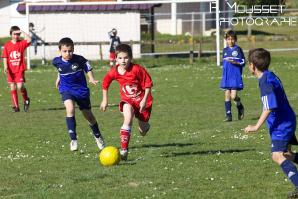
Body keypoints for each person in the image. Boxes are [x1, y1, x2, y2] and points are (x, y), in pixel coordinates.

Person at [244, 48, 298, 198]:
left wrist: (255, 127)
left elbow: (269, 106)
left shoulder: (265, 82)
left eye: (249, 63)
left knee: (277, 156)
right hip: (287, 119)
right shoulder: (270, 75)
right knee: (287, 154)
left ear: (253, 66)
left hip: (282, 124)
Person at [100, 44, 153, 160]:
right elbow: (105, 83)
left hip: (142, 101)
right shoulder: (114, 72)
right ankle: (124, 150)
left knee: (142, 131)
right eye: (120, 58)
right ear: (116, 58)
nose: (123, 61)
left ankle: (145, 126)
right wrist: (105, 100)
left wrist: (144, 101)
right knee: (127, 118)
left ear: (131, 58)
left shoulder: (137, 69)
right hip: (127, 100)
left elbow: (148, 84)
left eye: (126, 58)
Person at [52, 37, 105, 152]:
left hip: (81, 91)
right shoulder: (56, 61)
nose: (68, 53)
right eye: (65, 51)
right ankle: (73, 139)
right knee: (70, 109)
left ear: (73, 49)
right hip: (66, 89)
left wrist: (91, 78)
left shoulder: (79, 60)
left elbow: (88, 68)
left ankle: (98, 136)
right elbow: (60, 70)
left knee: (89, 117)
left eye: (70, 51)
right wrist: (58, 78)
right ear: (60, 51)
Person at [1, 26, 31, 112]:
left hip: (19, 69)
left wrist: (22, 31)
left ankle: (26, 99)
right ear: (11, 34)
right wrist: (5, 66)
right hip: (10, 70)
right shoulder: (7, 45)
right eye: (14, 34)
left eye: (18, 34)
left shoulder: (21, 43)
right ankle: (16, 107)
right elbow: (5, 57)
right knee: (12, 86)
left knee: (20, 86)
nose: (16, 36)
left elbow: (29, 40)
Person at [220, 30, 245, 122]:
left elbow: (243, 62)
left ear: (235, 40)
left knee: (233, 96)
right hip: (226, 76)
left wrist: (235, 62)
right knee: (227, 94)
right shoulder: (225, 50)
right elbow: (225, 64)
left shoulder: (238, 49)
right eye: (228, 39)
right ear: (226, 40)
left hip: (235, 76)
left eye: (232, 39)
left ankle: (240, 106)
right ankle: (228, 115)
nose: (230, 41)